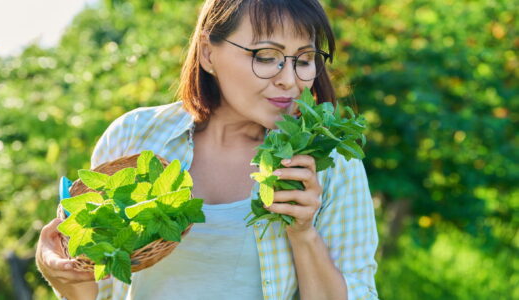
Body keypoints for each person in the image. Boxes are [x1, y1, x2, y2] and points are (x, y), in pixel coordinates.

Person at [35, 0, 379, 299]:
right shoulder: (135, 135)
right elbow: (101, 286)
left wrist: (303, 233)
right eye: (266, 56)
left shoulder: (327, 163)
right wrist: (65, 278)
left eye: (304, 59)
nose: (289, 79)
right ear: (207, 53)